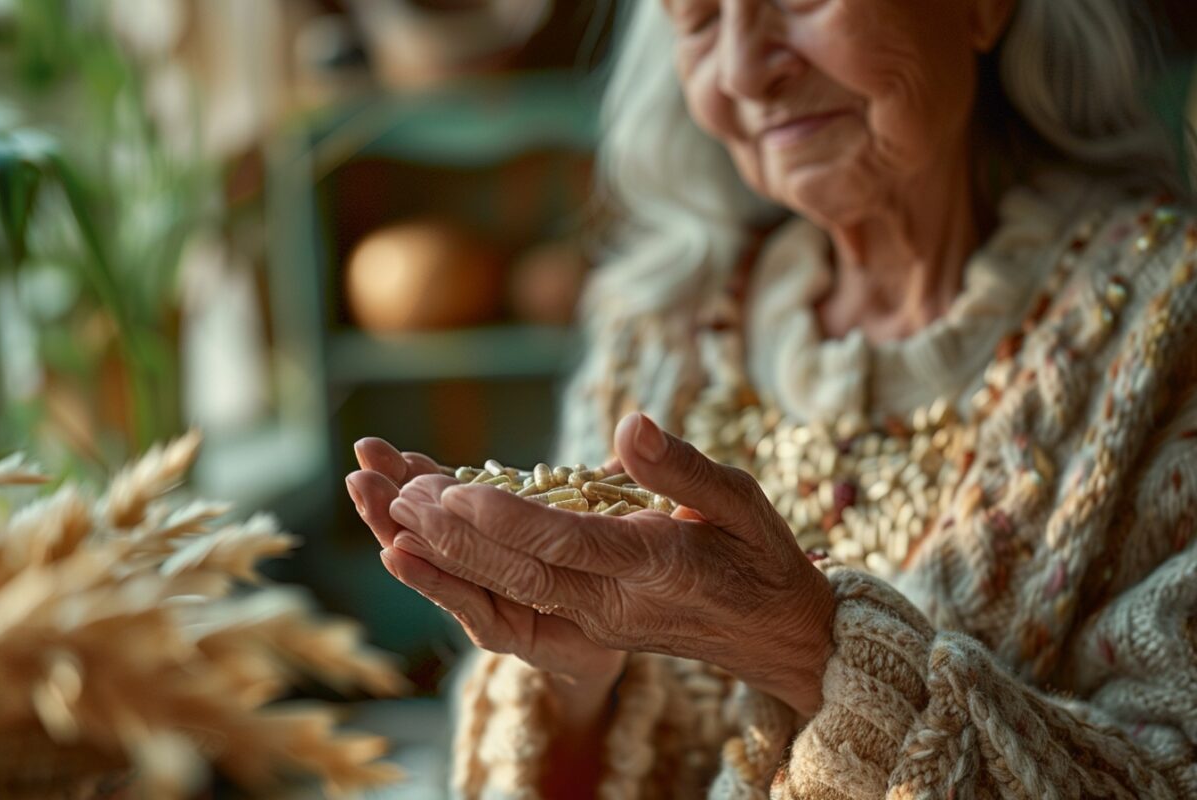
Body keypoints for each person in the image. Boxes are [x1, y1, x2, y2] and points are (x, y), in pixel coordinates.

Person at [345, 0, 1197, 795]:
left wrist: (804, 645)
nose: (746, 71)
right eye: (701, 16)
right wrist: (574, 674)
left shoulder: (1167, 320)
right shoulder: (659, 325)